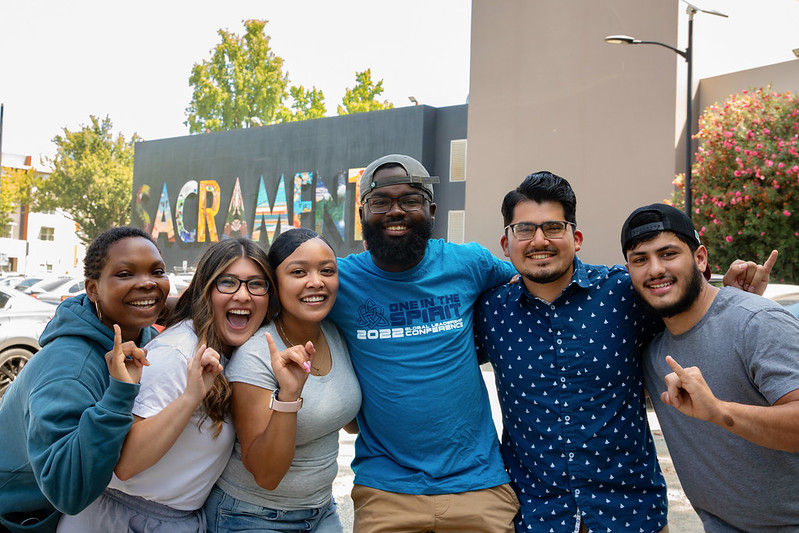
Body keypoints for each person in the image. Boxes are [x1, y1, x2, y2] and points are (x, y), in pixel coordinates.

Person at [474, 172, 774, 533]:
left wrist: (733, 296)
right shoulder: (490, 312)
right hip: (535, 515)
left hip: (632, 514)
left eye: (553, 227)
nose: (539, 240)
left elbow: (693, 312)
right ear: (506, 245)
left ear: (577, 238)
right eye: (524, 229)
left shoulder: (625, 292)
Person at [329, 154, 520, 533]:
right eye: (380, 202)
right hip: (386, 490)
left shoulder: (470, 264)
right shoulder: (338, 279)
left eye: (410, 201)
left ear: (431, 210)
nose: (395, 211)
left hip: (478, 484)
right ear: (363, 214)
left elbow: (533, 287)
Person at [57, 237, 276, 532]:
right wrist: (189, 398)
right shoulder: (177, 353)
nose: (243, 295)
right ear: (205, 290)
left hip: (174, 519)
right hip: (121, 519)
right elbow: (125, 463)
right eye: (228, 283)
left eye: (256, 284)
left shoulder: (235, 352)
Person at [621, 202, 799, 532]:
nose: (656, 269)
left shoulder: (756, 321)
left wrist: (717, 410)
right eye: (640, 259)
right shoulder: (653, 354)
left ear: (700, 258)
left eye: (669, 253)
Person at [0, 227, 168, 533]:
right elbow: (68, 491)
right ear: (92, 289)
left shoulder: (143, 334)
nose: (146, 283)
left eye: (157, 271)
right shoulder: (69, 367)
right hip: (23, 518)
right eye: (125, 273)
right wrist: (119, 394)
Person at [204, 228, 361, 532]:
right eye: (298, 271)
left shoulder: (334, 332)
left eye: (326, 270)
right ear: (275, 284)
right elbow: (267, 474)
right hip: (251, 515)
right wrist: (288, 398)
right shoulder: (256, 355)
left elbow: (347, 419)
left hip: (321, 509)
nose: (315, 281)